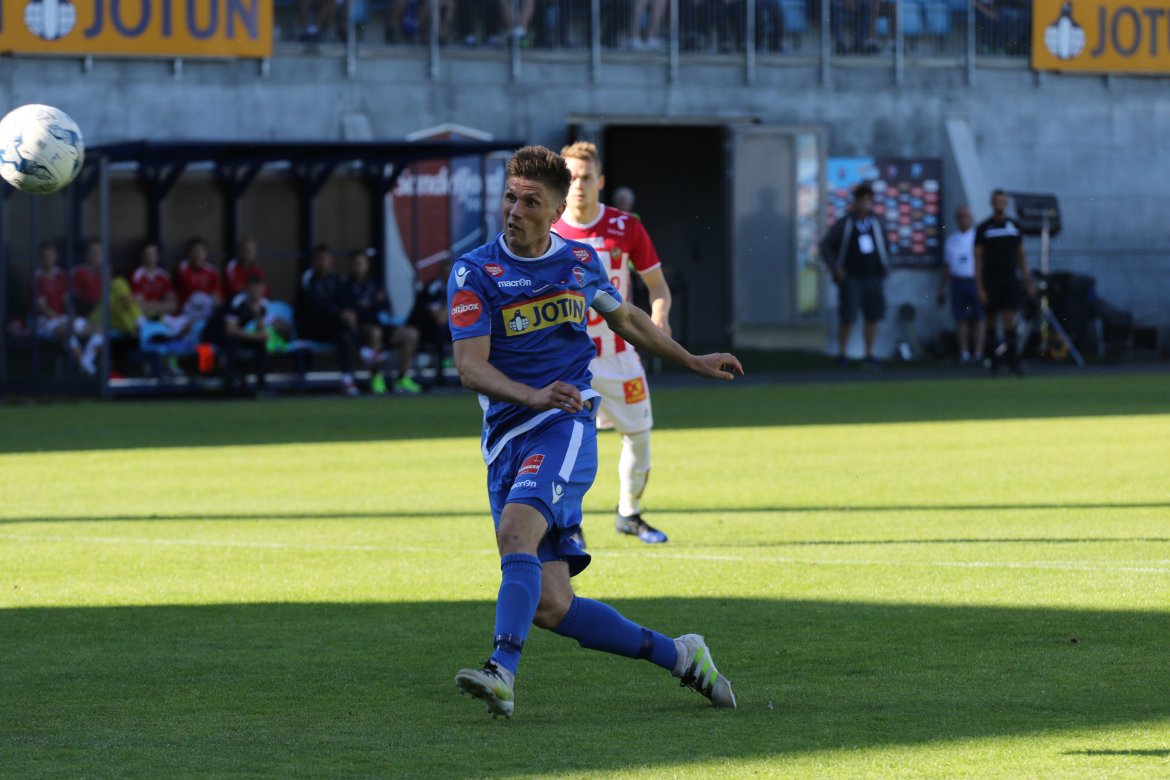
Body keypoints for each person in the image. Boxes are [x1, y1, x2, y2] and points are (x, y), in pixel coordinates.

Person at [450, 144, 742, 719]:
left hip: (565, 425)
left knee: (516, 531)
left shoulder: (579, 263)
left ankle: (501, 670)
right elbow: (470, 367)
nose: (514, 210)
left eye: (530, 202)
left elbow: (629, 319)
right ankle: (683, 657)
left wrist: (691, 360)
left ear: (557, 208)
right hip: (508, 437)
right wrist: (530, 393)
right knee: (553, 605)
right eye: (509, 197)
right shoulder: (475, 270)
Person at [554, 141, 673, 544]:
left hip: (620, 355)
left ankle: (630, 514)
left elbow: (657, 286)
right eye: (571, 178)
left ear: (600, 181)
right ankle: (569, 525)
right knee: (568, 442)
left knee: (639, 436)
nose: (579, 186)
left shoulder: (625, 227)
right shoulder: (548, 232)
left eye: (587, 178)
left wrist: (659, 317)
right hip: (570, 360)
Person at [820, 181, 889, 369]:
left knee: (872, 317)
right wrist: (836, 268)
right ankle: (843, 354)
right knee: (847, 317)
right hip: (851, 278)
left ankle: (869, 354)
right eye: (862, 200)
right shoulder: (846, 223)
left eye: (868, 200)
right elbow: (826, 246)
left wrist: (884, 267)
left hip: (873, 277)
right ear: (855, 202)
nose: (865, 204)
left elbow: (885, 247)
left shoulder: (877, 222)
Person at [343, 249, 423, 395]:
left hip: (383, 325)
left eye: (362, 262)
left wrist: (369, 305)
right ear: (351, 265)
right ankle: (376, 378)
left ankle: (402, 378)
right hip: (362, 330)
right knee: (375, 333)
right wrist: (370, 305)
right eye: (357, 263)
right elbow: (351, 310)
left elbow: (385, 306)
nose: (360, 265)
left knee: (411, 334)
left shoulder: (375, 283)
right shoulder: (346, 285)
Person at [975, 189, 1036, 376]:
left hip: (1010, 278)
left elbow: (1021, 255)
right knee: (992, 321)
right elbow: (976, 260)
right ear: (992, 204)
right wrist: (980, 287)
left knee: (1009, 319)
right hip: (991, 279)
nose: (1000, 205)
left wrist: (1026, 280)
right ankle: (993, 361)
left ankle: (1013, 361)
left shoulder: (1014, 226)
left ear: (1006, 204)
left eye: (1003, 202)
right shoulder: (984, 228)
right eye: (997, 202)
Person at [296, 244, 362, 396]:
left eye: (326, 259)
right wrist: (339, 312)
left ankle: (347, 378)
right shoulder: (307, 279)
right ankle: (363, 350)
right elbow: (315, 305)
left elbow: (344, 300)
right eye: (320, 259)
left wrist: (347, 313)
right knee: (341, 325)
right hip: (311, 327)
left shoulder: (336, 279)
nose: (323, 262)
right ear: (314, 261)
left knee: (342, 333)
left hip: (333, 328)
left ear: (331, 260)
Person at [202, 272, 272, 395]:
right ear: (246, 289)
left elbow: (263, 332)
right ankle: (229, 385)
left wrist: (257, 316)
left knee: (260, 345)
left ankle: (262, 386)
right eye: (253, 289)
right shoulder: (236, 301)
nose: (256, 292)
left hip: (235, 335)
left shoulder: (264, 304)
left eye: (259, 289)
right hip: (215, 333)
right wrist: (257, 336)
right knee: (233, 342)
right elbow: (230, 330)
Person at [938, 205, 985, 365]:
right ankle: (964, 352)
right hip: (957, 282)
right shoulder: (952, 240)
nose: (964, 220)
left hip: (974, 281)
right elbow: (946, 266)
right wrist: (942, 288)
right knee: (960, 318)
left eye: (967, 216)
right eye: (961, 217)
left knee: (980, 317)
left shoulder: (977, 238)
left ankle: (978, 352)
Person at [176, 237, 224, 323]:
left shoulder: (212, 271)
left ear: (206, 253)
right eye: (194, 252)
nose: (197, 255)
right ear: (188, 254)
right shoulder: (182, 269)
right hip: (187, 312)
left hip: (206, 311)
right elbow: (191, 291)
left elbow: (217, 295)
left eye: (201, 252)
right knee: (197, 297)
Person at [130, 241, 178, 318]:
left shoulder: (164, 275)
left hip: (164, 317)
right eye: (147, 254)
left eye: (153, 254)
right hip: (144, 318)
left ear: (157, 256)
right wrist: (161, 305)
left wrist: (151, 305)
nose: (150, 257)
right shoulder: (136, 275)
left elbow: (173, 305)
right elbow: (139, 307)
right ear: (143, 256)